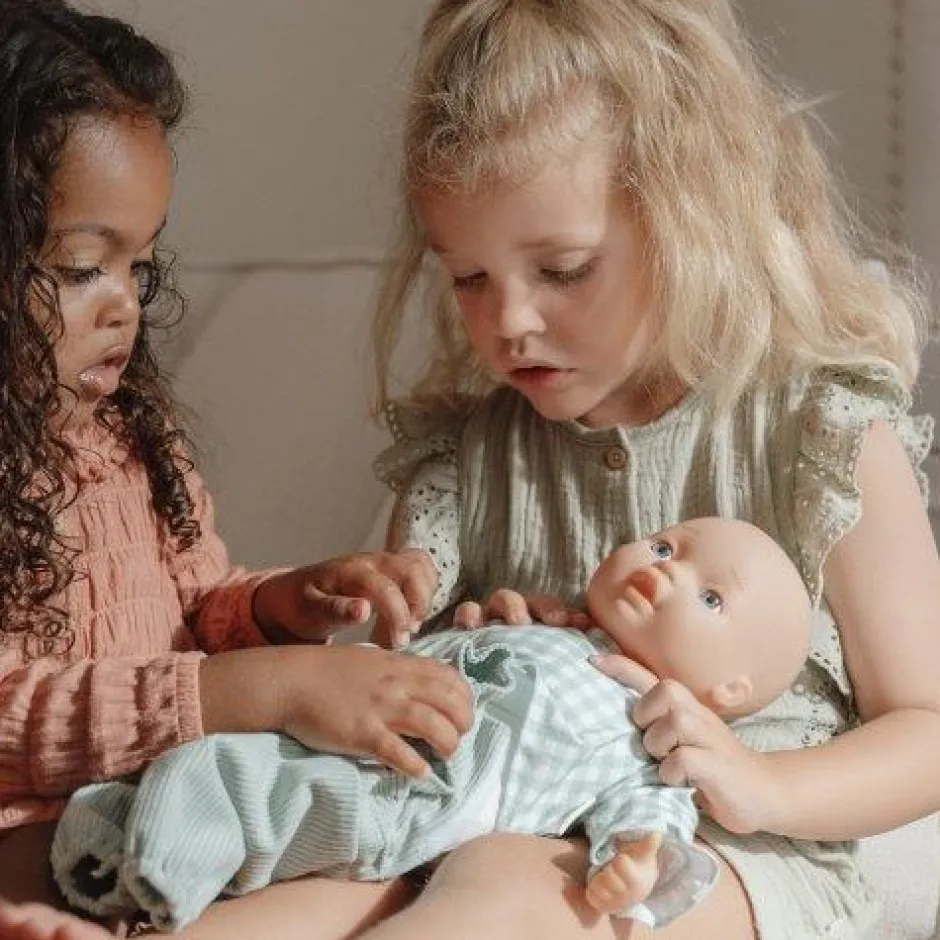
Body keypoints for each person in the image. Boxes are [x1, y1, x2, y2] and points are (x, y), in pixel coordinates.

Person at [355, 1, 940, 938]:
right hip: (485, 816)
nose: (508, 321)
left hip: (729, 849)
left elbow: (927, 728)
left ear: (691, 220)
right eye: (469, 277)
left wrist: (760, 784)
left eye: (563, 269)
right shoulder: (462, 461)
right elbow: (379, 695)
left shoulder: (818, 432)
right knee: (305, 896)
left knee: (507, 885)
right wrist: (463, 655)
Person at [0, 0, 472, 932]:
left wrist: (276, 607)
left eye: (139, 266)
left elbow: (192, 610)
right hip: (29, 832)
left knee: (390, 881)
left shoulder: (133, 440)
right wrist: (254, 692)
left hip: (154, 816)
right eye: (81, 266)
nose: (124, 305)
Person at [51, 517, 811, 934]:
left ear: (728, 689)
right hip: (357, 734)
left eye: (710, 598)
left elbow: (650, 813)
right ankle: (106, 849)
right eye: (666, 546)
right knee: (222, 766)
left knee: (244, 792)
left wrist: (636, 862)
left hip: (408, 801)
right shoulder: (543, 625)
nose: (667, 568)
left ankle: (149, 890)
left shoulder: (647, 734)